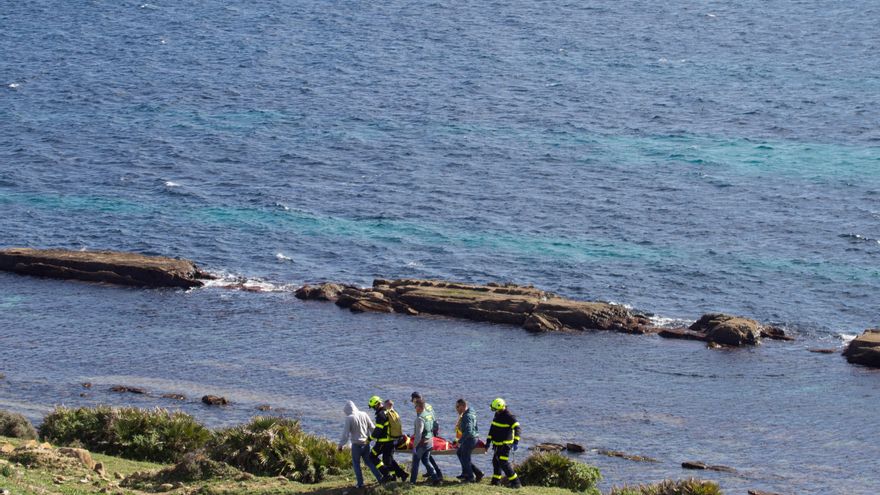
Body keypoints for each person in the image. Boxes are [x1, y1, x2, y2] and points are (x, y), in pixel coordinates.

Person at [338, 400, 384, 488]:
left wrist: (341, 445)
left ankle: (360, 483)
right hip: (366, 443)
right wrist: (378, 438)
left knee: (356, 464)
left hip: (356, 445)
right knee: (370, 462)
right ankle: (380, 478)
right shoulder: (364, 414)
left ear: (347, 410)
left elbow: (345, 434)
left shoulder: (349, 418)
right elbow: (372, 427)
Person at [486, 398, 521, 488]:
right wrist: (488, 443)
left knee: (503, 463)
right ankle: (495, 482)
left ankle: (516, 483)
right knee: (496, 462)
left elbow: (517, 428)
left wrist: (516, 442)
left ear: (501, 407)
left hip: (505, 445)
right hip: (497, 444)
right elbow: (492, 429)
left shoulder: (509, 417)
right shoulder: (497, 415)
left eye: (496, 409)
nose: (495, 411)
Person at [410, 391, 443, 479]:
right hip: (432, 430)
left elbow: (421, 423)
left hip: (427, 434)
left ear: (415, 399)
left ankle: (437, 473)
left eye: (413, 401)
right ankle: (434, 473)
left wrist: (417, 437)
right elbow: (433, 419)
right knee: (426, 456)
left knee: (424, 455)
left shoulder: (420, 408)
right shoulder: (427, 405)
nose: (413, 404)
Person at [366, 396, 397, 482]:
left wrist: (369, 439)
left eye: (373, 407)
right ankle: (393, 477)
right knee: (388, 460)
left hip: (383, 441)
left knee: (372, 456)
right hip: (391, 440)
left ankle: (386, 474)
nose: (373, 409)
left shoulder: (381, 415)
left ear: (376, 405)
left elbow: (378, 430)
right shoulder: (388, 411)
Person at [454, 398, 484, 482]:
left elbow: (469, 431)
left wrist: (460, 441)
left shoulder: (467, 416)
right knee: (460, 453)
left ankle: (470, 477)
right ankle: (476, 473)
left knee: (465, 458)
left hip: (470, 439)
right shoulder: (469, 412)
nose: (456, 409)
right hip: (471, 438)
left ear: (463, 406)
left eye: (457, 407)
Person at [382, 399, 409, 480]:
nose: (383, 406)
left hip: (390, 440)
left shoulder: (387, 413)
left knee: (387, 459)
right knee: (390, 458)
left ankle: (396, 476)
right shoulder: (395, 413)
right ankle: (401, 474)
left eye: (384, 404)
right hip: (397, 439)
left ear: (387, 405)